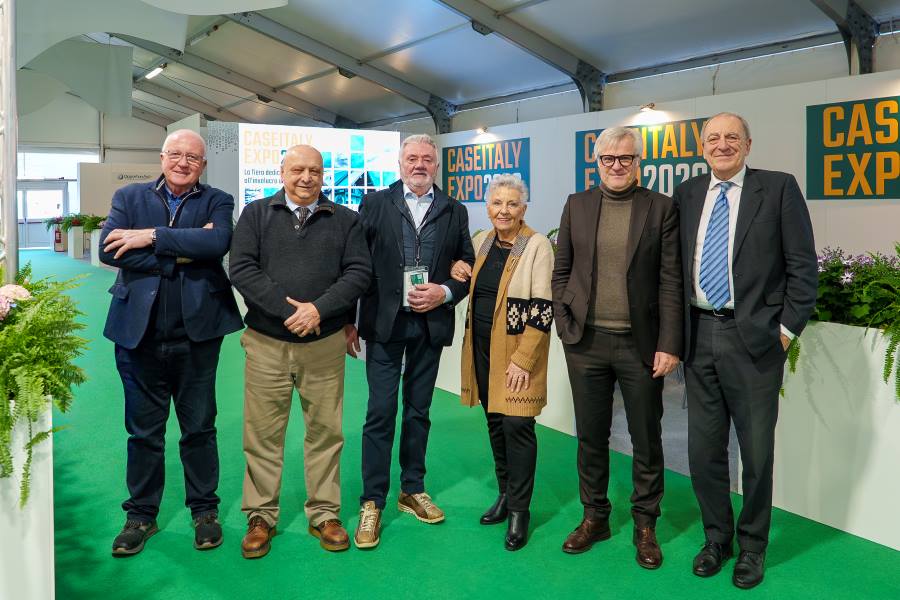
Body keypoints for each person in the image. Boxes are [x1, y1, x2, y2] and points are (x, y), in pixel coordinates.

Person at [673, 112, 817, 588]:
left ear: (748, 145)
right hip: (698, 337)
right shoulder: (687, 193)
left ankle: (753, 546)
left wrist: (786, 331)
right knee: (703, 451)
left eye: (732, 137)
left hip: (754, 340)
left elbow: (803, 268)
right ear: (702, 147)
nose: (722, 145)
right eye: (713, 138)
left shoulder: (778, 188)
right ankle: (717, 538)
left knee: (756, 454)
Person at [100, 129, 243, 556]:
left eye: (193, 158)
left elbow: (217, 243)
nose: (183, 163)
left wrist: (151, 236)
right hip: (137, 334)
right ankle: (141, 515)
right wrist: (185, 250)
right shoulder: (129, 196)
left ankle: (204, 511)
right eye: (176, 154)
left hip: (197, 335)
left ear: (203, 165)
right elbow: (110, 251)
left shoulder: (217, 200)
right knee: (143, 432)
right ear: (162, 157)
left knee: (199, 428)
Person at [228, 144, 371, 558]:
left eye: (314, 171)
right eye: (297, 170)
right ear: (282, 172)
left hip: (323, 345)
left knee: (326, 432)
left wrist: (318, 310)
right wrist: (290, 311)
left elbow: (359, 272)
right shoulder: (256, 214)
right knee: (262, 434)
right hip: (267, 343)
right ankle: (260, 516)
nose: (306, 178)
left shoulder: (345, 219)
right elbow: (241, 269)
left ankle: (325, 514)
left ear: (323, 175)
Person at [551, 126, 682, 569]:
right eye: (609, 158)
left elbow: (670, 279)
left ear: (638, 162)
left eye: (626, 158)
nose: (617, 165)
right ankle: (595, 517)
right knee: (591, 436)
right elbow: (562, 269)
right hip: (585, 342)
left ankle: (645, 524)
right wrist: (565, 324)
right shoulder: (577, 204)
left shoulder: (660, 207)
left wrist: (669, 343)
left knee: (646, 437)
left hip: (639, 345)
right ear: (597, 162)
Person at [348, 134, 475, 549]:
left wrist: (445, 291)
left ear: (436, 165)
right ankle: (372, 500)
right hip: (384, 324)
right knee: (380, 412)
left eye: (427, 159)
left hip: (429, 325)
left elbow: (467, 263)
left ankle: (412, 489)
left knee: (419, 411)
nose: (419, 164)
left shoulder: (455, 210)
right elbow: (356, 264)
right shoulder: (374, 204)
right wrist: (349, 320)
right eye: (412, 158)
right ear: (400, 164)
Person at [451, 174, 553, 551]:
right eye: (497, 203)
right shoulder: (483, 241)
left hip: (517, 354)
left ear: (523, 209)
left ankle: (520, 511)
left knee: (517, 426)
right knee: (495, 422)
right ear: (488, 207)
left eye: (512, 204)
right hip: (482, 349)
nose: (504, 210)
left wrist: (523, 360)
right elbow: (470, 282)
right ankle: (506, 495)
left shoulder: (536, 245)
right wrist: (457, 270)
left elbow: (542, 309)